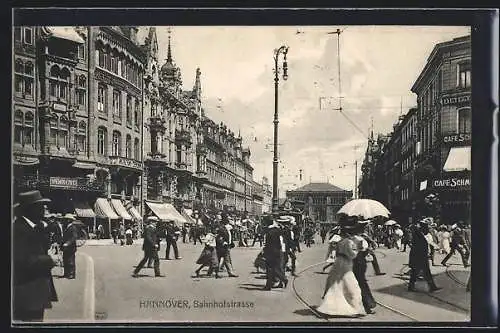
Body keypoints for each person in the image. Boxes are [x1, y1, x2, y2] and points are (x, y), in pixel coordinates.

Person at [13, 190, 58, 322]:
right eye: (40, 205)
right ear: (30, 209)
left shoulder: (32, 227)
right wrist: (50, 259)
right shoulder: (19, 230)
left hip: (34, 293)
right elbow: (21, 261)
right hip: (28, 294)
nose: (45, 208)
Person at [316, 224, 365, 318]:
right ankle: (353, 308)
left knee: (337, 286)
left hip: (338, 263)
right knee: (352, 286)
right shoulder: (348, 242)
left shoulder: (340, 241)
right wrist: (359, 248)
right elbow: (351, 255)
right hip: (346, 264)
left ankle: (332, 307)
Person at [408, 219, 442, 292]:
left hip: (421, 255)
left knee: (424, 272)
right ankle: (412, 287)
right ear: (423, 227)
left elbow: (428, 242)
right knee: (416, 272)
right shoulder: (418, 234)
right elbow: (419, 245)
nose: (428, 230)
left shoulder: (420, 233)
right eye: (427, 227)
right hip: (418, 256)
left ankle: (431, 287)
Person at [351, 221, 377, 315]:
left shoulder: (355, 238)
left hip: (356, 263)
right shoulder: (360, 239)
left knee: (359, 284)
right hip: (360, 263)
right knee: (361, 284)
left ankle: (366, 305)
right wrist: (368, 248)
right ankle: (367, 305)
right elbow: (367, 250)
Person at [263, 217, 288, 290]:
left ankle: (269, 285)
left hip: (271, 252)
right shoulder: (278, 230)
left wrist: (265, 252)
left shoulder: (269, 231)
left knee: (270, 269)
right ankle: (280, 280)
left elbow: (268, 244)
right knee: (274, 268)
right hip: (278, 251)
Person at [61, 214, 78, 279]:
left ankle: (71, 274)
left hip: (71, 247)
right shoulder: (67, 227)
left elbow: (74, 237)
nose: (64, 220)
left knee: (70, 261)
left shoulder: (73, 227)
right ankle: (66, 273)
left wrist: (67, 243)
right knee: (65, 260)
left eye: (66, 219)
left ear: (69, 220)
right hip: (66, 248)